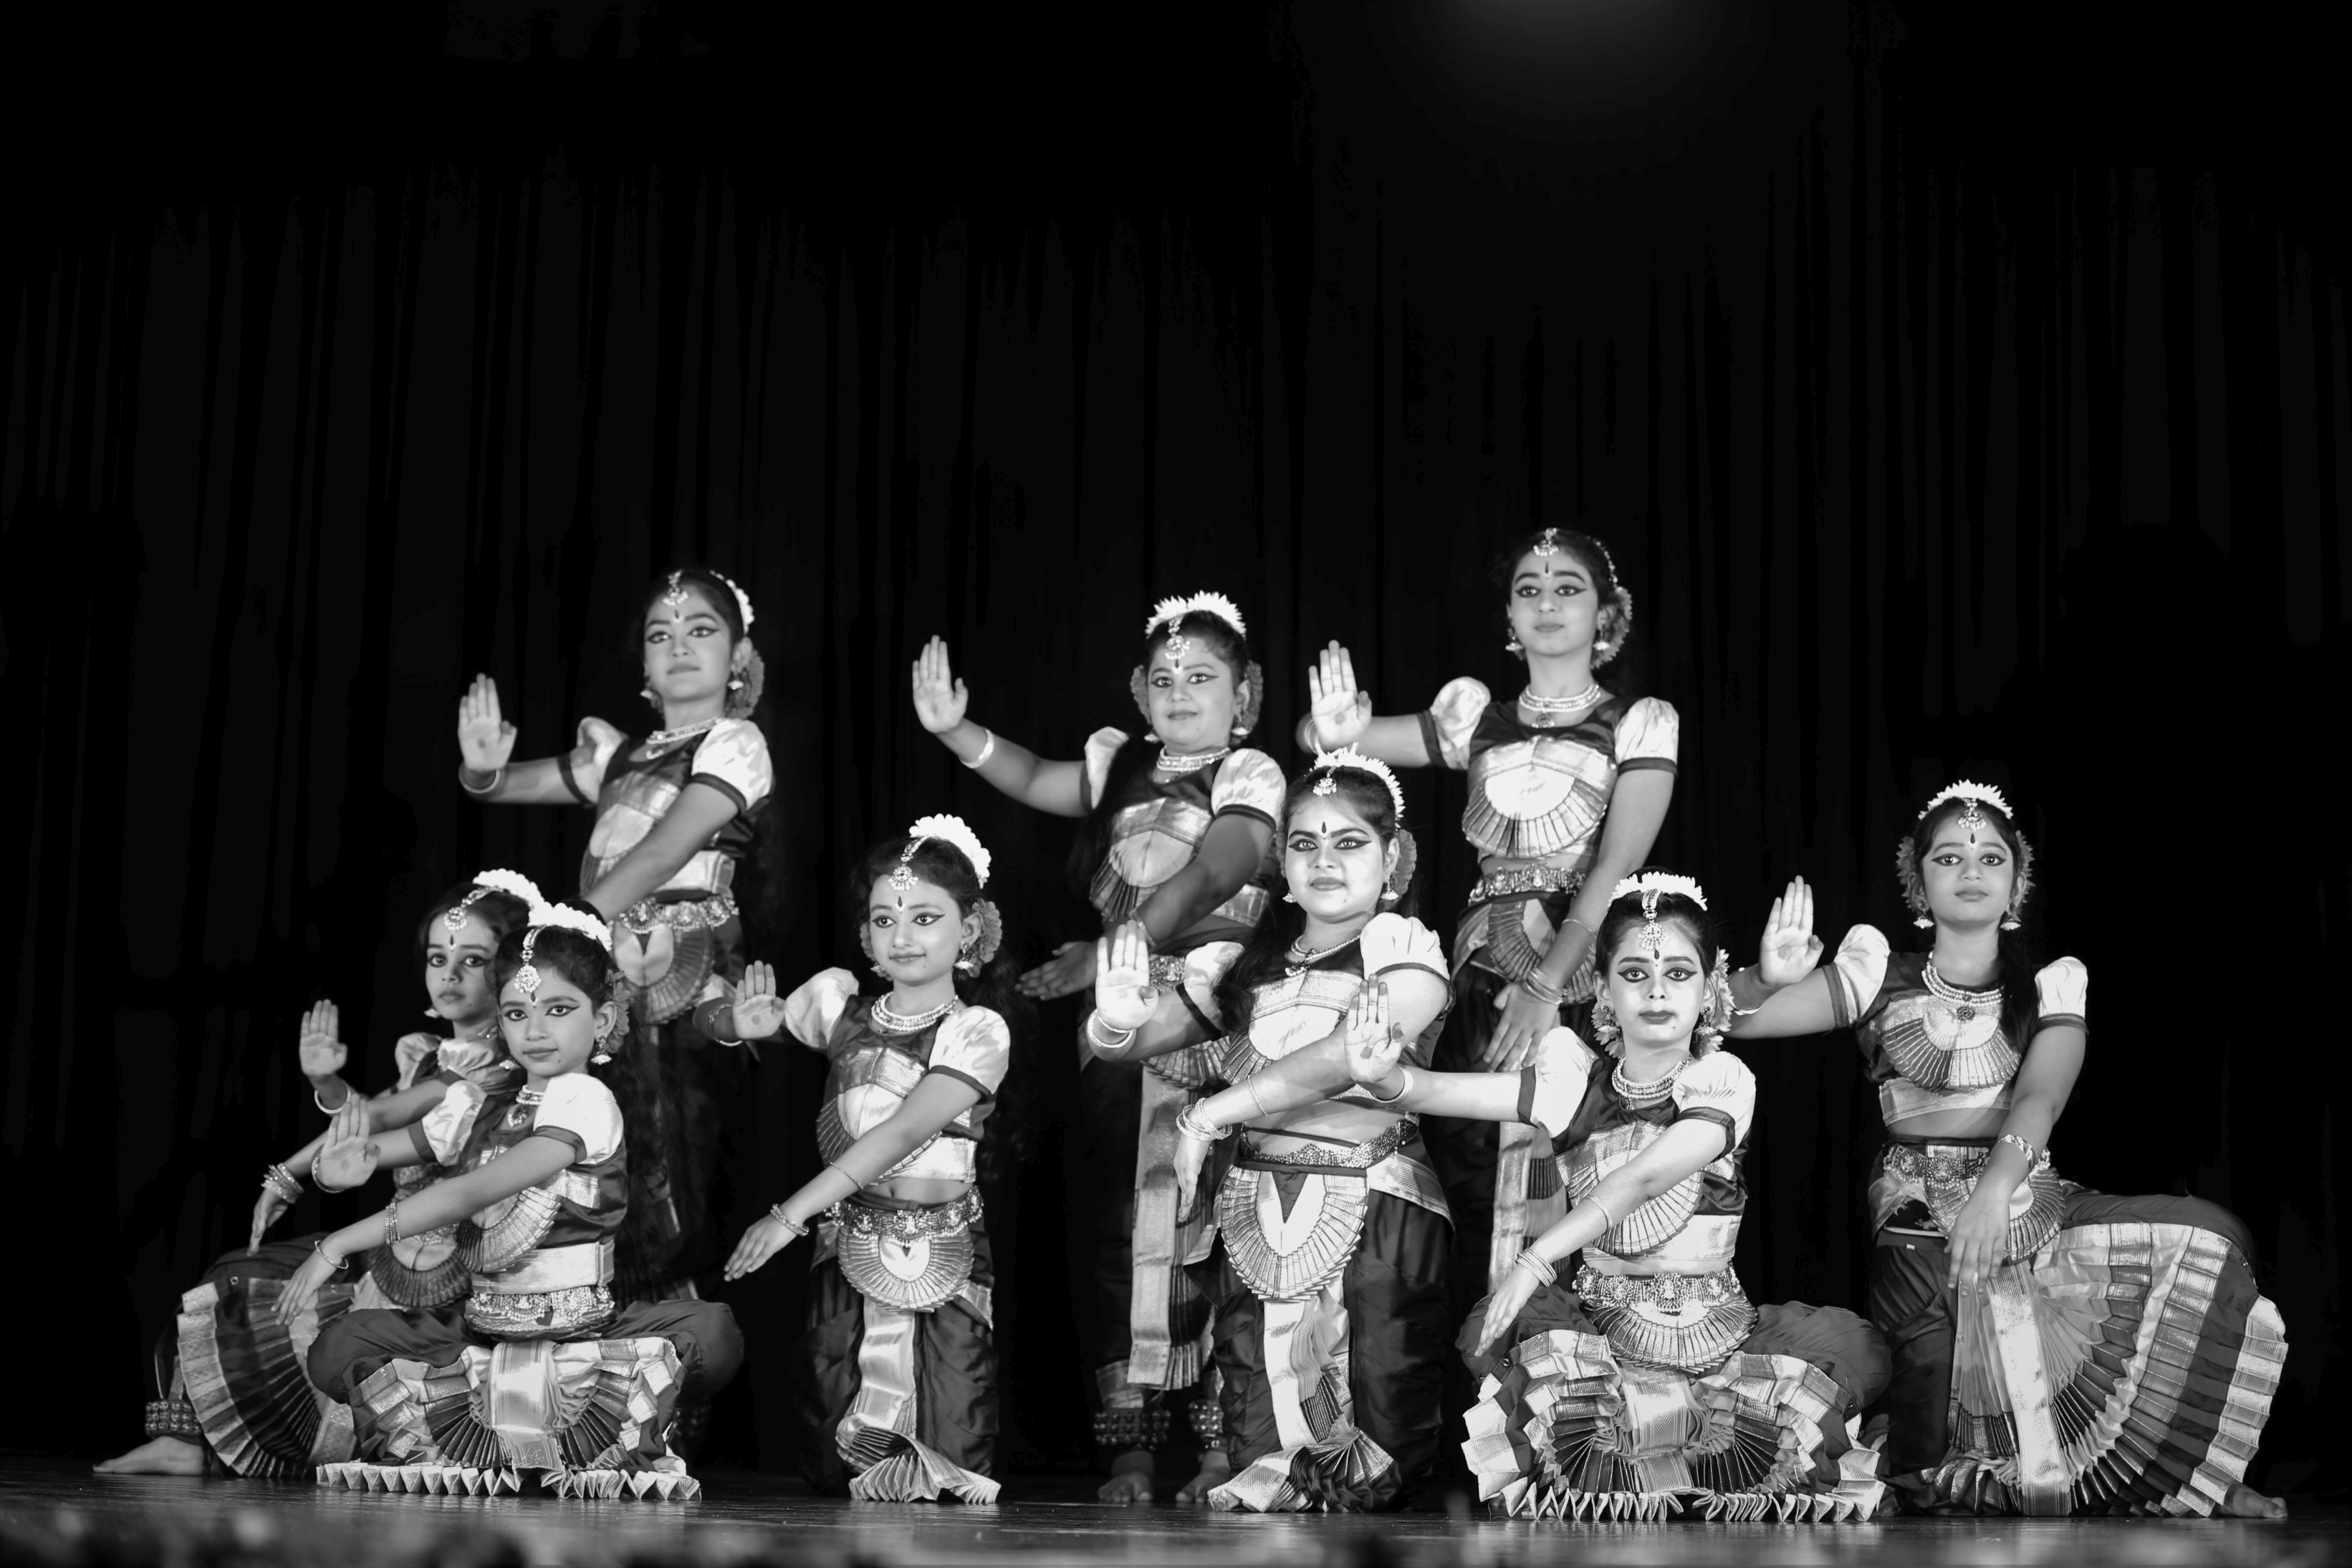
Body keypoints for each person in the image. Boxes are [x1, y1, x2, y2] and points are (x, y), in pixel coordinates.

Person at [1727, 783, 2289, 1517]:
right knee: (1923, 1459)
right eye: (1949, 856)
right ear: (1918, 881)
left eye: (1990, 856)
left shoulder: (2050, 984)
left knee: (2206, 1237)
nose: (1970, 868)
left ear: (2015, 881)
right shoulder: (1875, 974)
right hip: (1916, 1217)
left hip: (2024, 1196)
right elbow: (1732, 1021)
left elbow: (2040, 1097)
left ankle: (2195, 1478)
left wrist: (1995, 1186)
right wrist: (1764, 978)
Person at [1340, 870, 1891, 1520]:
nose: (1656, 990)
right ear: (1602, 988)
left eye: (1679, 973)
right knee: (1507, 1344)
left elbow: (1644, 1178)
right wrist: (1383, 1076)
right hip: (1601, 1336)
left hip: (1722, 1335)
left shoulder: (1722, 1081)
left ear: (1711, 987)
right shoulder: (1571, 1078)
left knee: (1853, 1358)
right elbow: (1435, 1091)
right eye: (1634, 973)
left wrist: (1535, 1259)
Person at [911, 594, 1282, 1502]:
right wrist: (960, 732)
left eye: (1202, 676)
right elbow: (1038, 774)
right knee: (1124, 1224)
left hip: (1218, 999)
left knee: (1221, 1224)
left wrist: (1118, 949)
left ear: (1245, 692)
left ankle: (1222, 1444)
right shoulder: (1120, 762)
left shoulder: (1251, 771)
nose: (1180, 690)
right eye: (1163, 678)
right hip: (1115, 1017)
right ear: (1137, 692)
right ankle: (1129, 1444)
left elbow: (1217, 869)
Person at [1300, 527, 1676, 1327]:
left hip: (1582, 972)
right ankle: (1478, 1405)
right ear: (1508, 614)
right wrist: (1326, 730)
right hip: (1479, 969)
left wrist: (1548, 983)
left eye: (1568, 587)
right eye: (1529, 589)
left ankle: (1575, 1406)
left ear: (1608, 613)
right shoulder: (1476, 717)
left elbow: (1614, 864)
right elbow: (1334, 744)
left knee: (1586, 1157)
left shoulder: (1637, 720)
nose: (1547, 603)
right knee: (1467, 1163)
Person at [1088, 748, 1454, 1511]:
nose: (1323, 859)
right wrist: (1114, 1018)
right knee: (1265, 1465)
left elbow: (1346, 1057)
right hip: (1258, 1217)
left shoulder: (1403, 950)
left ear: (1393, 858)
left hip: (1375, 1213)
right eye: (1303, 840)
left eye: (1348, 841)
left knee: (1374, 1457)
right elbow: (1124, 1041)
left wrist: (1210, 1111)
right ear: (1282, 863)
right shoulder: (1242, 963)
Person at [95, 870, 540, 1479]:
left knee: (256, 1291)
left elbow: (381, 1118)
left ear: (510, 969)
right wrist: (325, 1097)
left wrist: (290, 1173)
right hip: (390, 1250)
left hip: (437, 1270)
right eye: (439, 957)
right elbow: (366, 1115)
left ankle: (228, 1447)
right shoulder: (430, 1053)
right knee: (232, 1279)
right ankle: (186, 1442)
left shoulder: (494, 1067)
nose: (450, 974)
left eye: (473, 959)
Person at [295, 905, 742, 1499]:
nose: (535, 1030)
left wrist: (342, 1240)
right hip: (483, 1327)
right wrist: (343, 1165)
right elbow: (379, 1147)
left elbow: (473, 1191)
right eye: (516, 1012)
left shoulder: (585, 1100)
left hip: (582, 1329)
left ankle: (513, 1427)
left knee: (712, 1332)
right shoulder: (476, 1103)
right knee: (338, 1346)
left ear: (602, 1016)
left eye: (558, 1010)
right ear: (500, 1023)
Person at [453, 567, 773, 1306]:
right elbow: (505, 785)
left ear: (739, 656)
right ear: (643, 664)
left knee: (674, 1157)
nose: (680, 646)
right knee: (595, 1144)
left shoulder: (736, 742)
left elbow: (664, 851)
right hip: (604, 967)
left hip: (685, 968)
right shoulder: (618, 754)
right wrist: (479, 766)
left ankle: (678, 1360)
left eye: (702, 630)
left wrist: (567, 929)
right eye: (662, 634)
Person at [721, 815, 1022, 1504]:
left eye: (924, 917)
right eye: (884, 919)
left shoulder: (977, 1030)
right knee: (837, 1450)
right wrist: (730, 1024)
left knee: (949, 1453)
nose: (902, 936)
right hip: (846, 1242)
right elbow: (733, 1019)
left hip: (943, 1244)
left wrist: (786, 1215)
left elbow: (902, 1132)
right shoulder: (836, 1005)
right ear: (864, 937)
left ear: (968, 929)